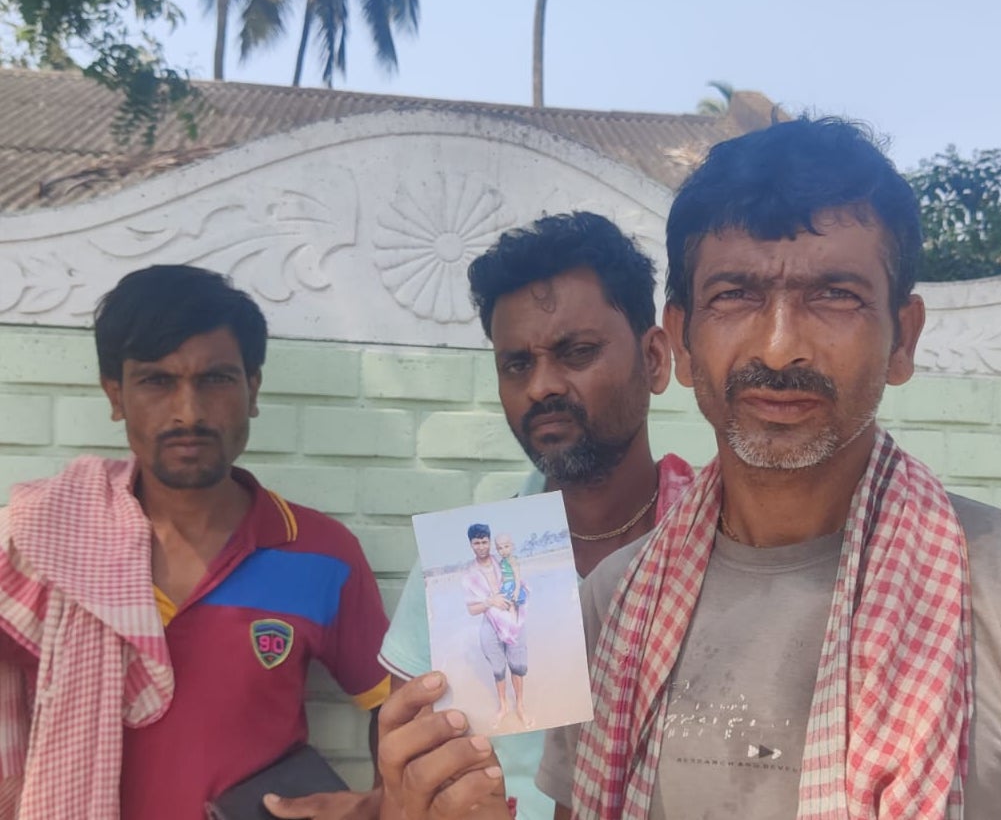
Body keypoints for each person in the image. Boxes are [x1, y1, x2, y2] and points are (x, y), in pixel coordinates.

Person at [374, 118, 1001, 820]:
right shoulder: (614, 605)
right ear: (681, 342)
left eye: (836, 295)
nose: (780, 346)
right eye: (736, 295)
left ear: (903, 339)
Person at [0, 265, 391, 820]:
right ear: (115, 394)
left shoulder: (321, 553)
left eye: (216, 379)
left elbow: (397, 705)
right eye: (157, 381)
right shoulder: (44, 547)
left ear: (252, 389)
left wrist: (382, 805)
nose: (189, 412)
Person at [371, 211, 696, 820]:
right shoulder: (460, 566)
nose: (542, 385)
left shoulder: (725, 544)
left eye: (577, 352)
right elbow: (401, 794)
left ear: (654, 359)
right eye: (516, 364)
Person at [461, 523, 531, 728]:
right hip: (490, 621)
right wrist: (490, 602)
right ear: (471, 545)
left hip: (513, 618)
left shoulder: (503, 562)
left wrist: (514, 596)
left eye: (484, 542)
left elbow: (519, 582)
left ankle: (520, 705)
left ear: (490, 542)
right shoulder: (469, 574)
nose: (481, 546)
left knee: (518, 664)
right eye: (477, 543)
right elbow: (471, 609)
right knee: (498, 666)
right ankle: (503, 705)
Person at [494, 533, 528, 614]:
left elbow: (517, 577)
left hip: (512, 586)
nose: (503, 551)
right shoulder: (502, 562)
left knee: (512, 606)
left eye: (506, 546)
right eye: (500, 548)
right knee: (507, 607)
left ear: (512, 546)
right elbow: (502, 575)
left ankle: (514, 623)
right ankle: (512, 622)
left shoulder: (512, 560)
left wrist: (516, 590)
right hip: (505, 587)